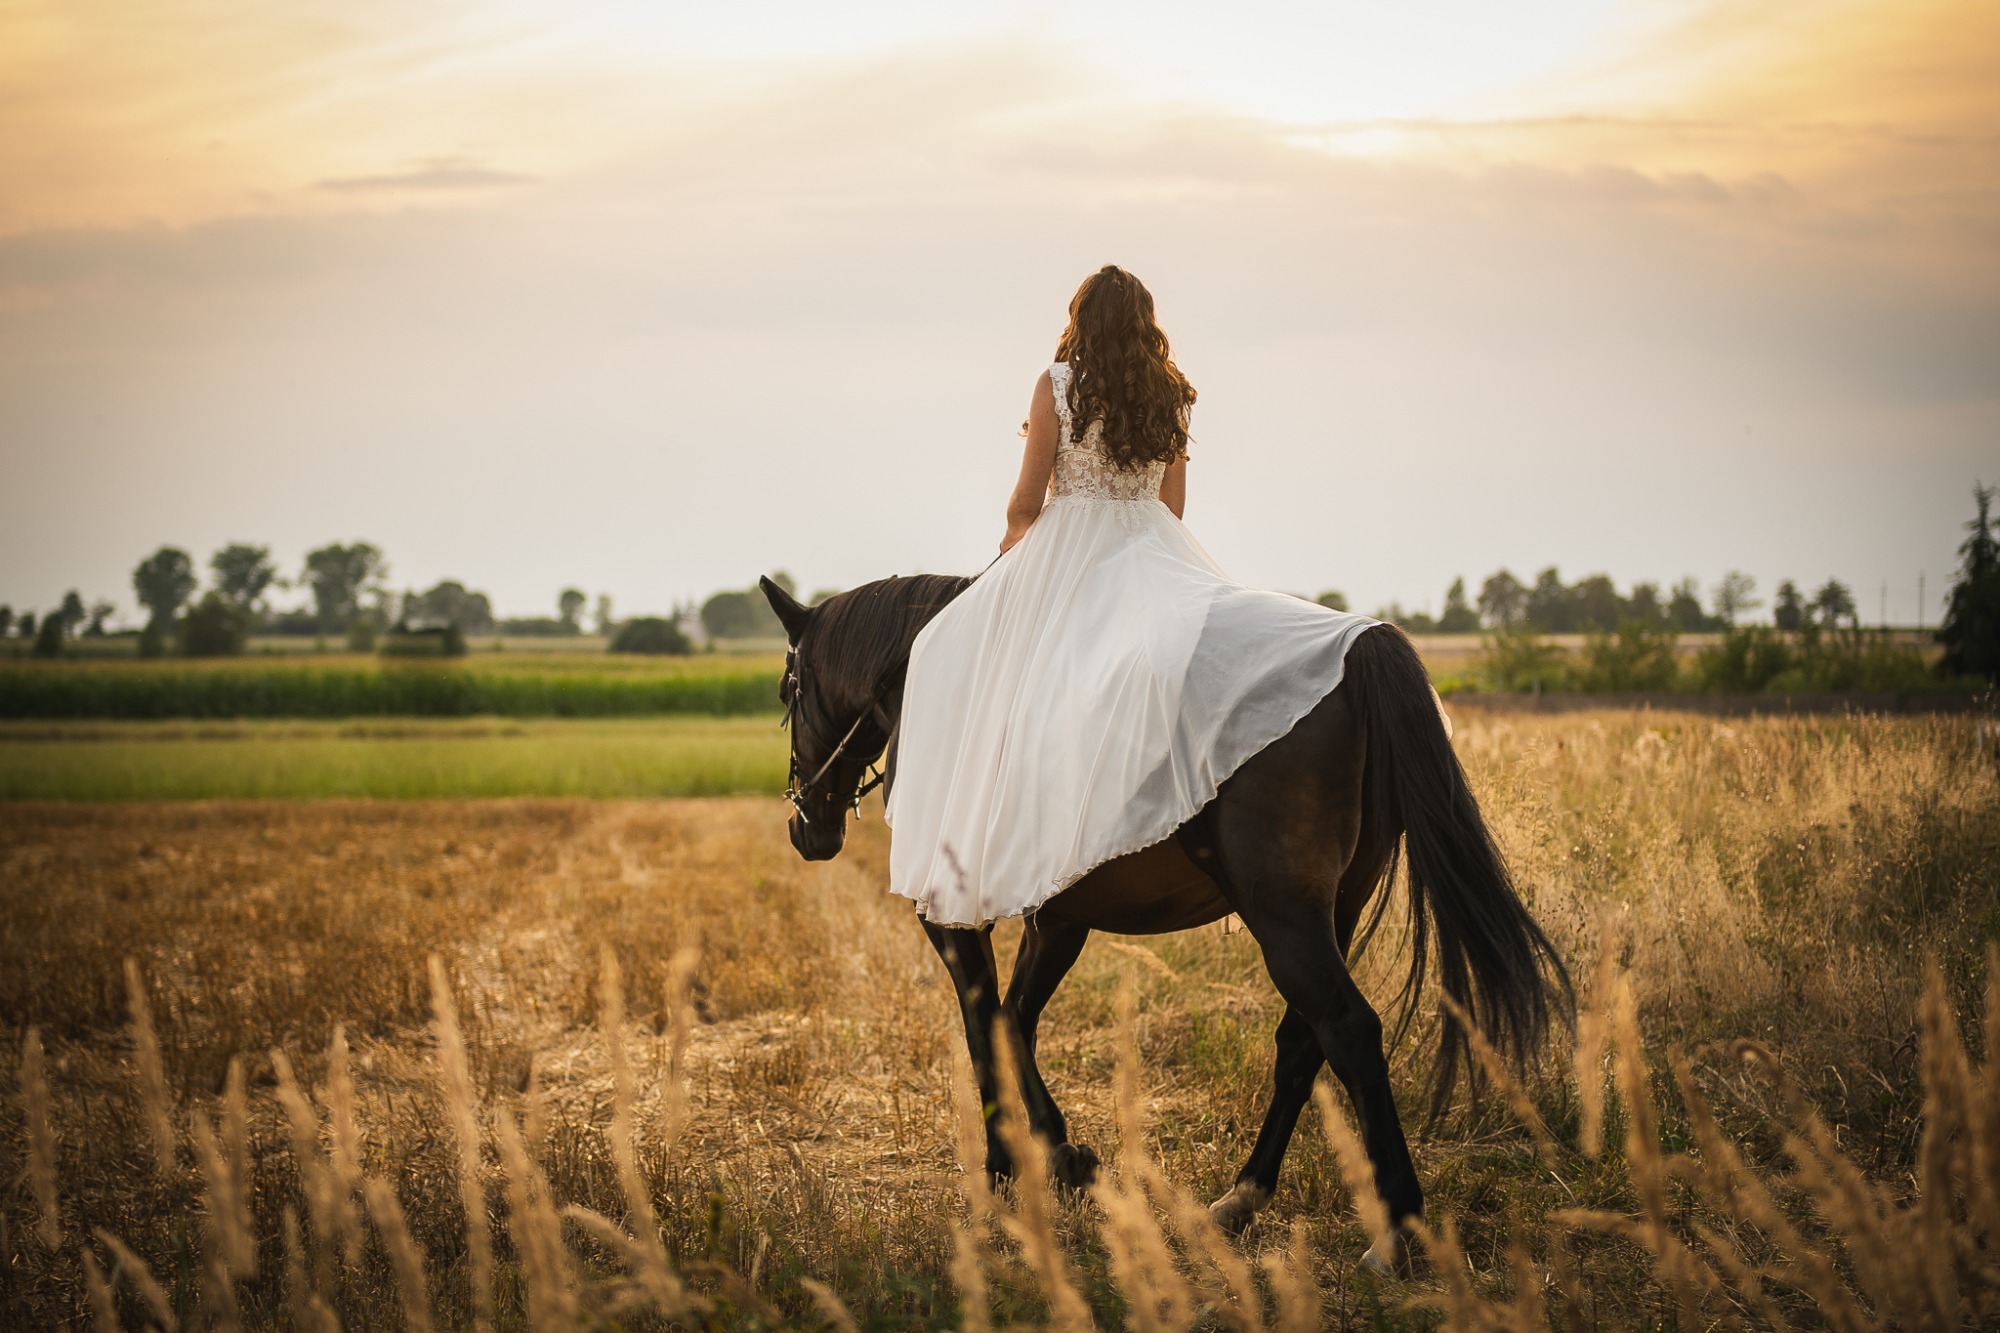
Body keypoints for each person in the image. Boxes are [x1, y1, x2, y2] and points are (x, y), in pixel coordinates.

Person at [885, 265, 1379, 927]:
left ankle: (986, 844)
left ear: (1079, 319)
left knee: (952, 651)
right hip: (1154, 550)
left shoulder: (1057, 385)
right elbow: (1171, 507)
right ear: (1147, 323)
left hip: (1068, 550)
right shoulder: (1170, 394)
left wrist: (1015, 571)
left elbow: (1024, 507)